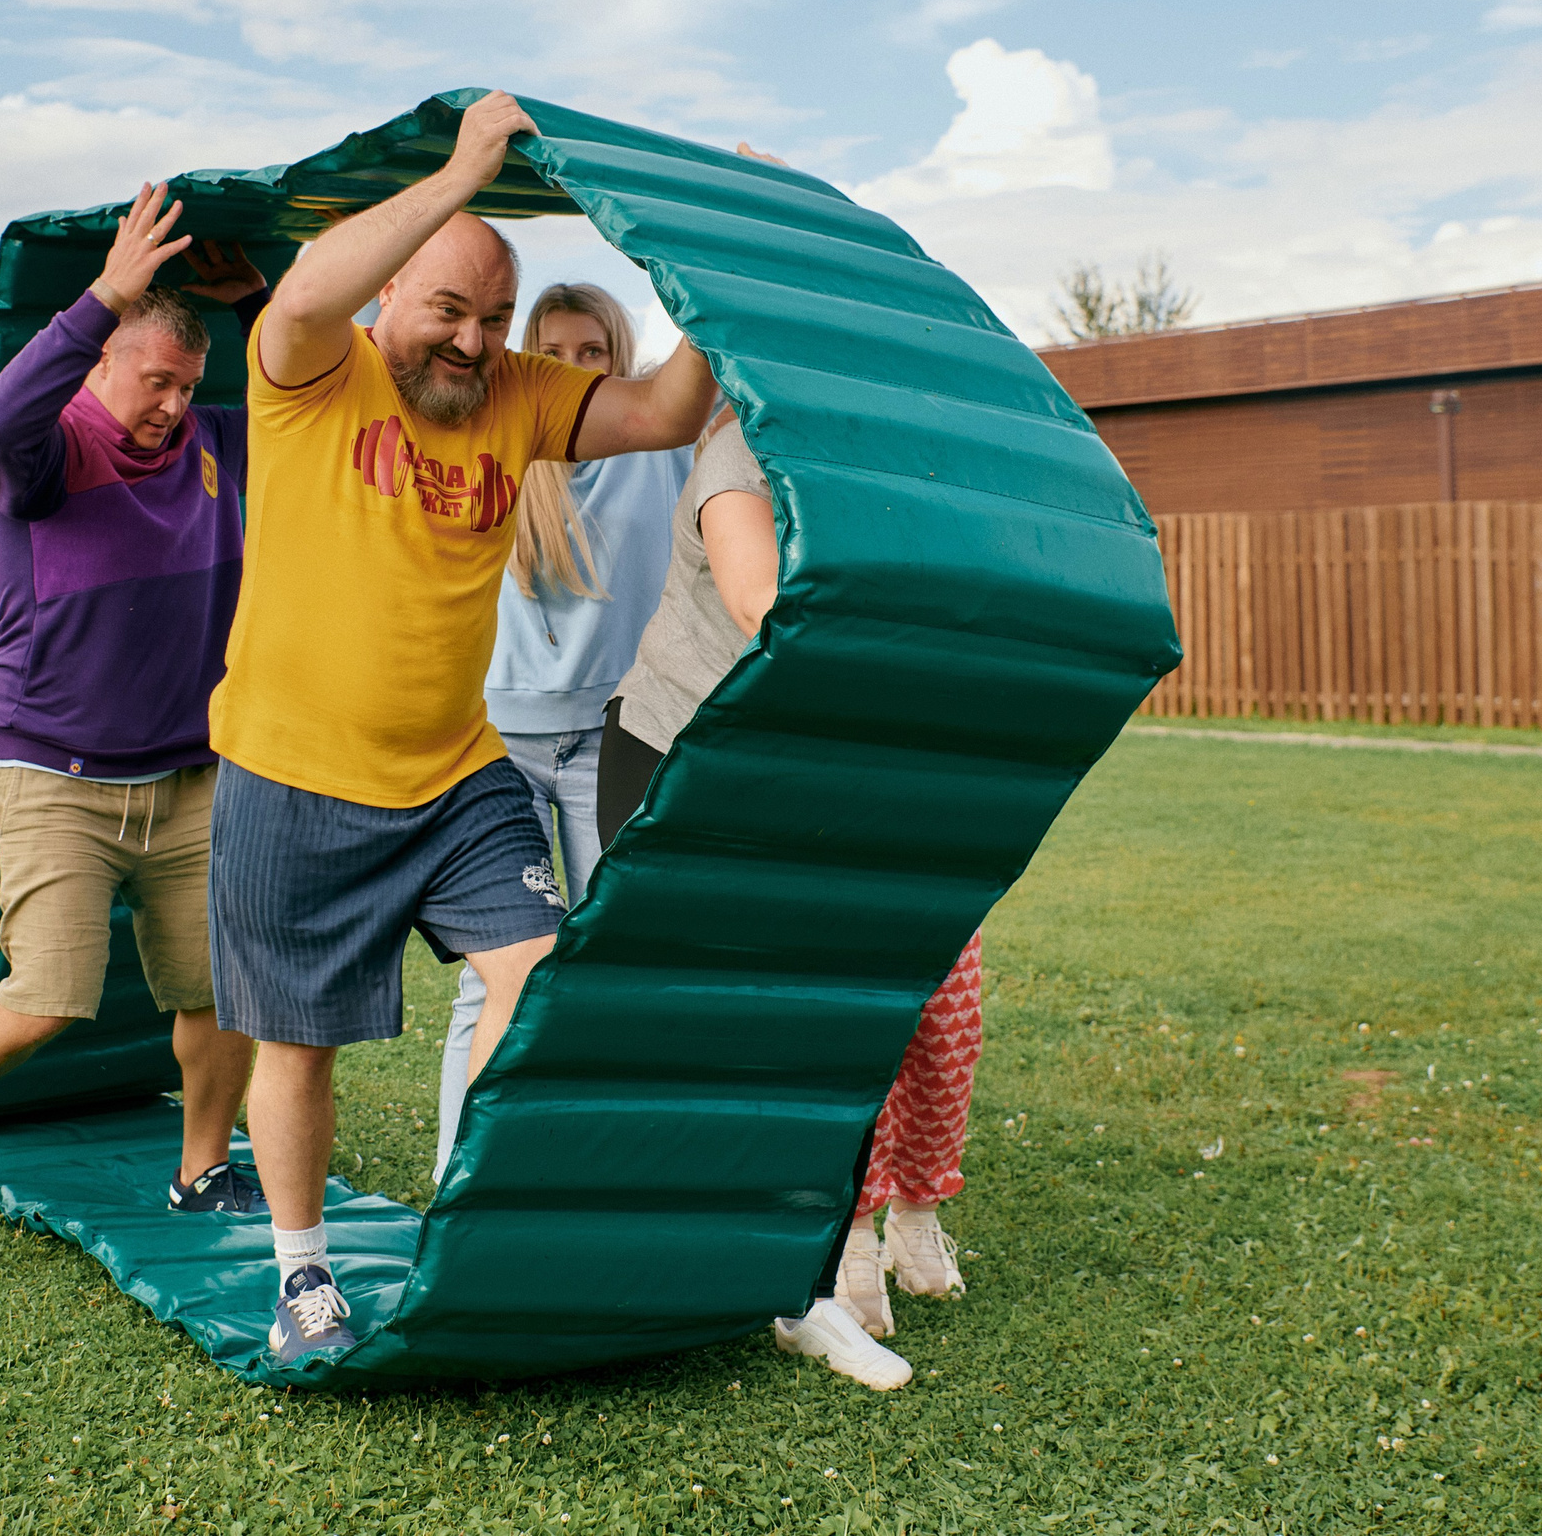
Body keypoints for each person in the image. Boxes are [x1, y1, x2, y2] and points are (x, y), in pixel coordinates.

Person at [206, 92, 723, 1364]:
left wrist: (719, 263)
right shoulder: (311, 371)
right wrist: (461, 173)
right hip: (293, 769)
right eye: (449, 309)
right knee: (298, 1044)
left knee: (540, 974)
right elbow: (307, 290)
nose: (473, 341)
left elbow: (662, 413)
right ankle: (302, 1273)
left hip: (456, 774)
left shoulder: (518, 393)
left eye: (495, 317)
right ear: (390, 291)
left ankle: (482, 1219)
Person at [0, 184, 264, 1256]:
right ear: (99, 363)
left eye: (187, 383)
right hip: (57, 773)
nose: (172, 403)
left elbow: (314, 406)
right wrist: (106, 294)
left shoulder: (216, 446)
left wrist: (257, 304)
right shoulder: (45, 455)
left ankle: (203, 1170)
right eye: (154, 379)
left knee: (221, 991)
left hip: (190, 776)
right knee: (46, 995)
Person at [600, 402, 987, 1392]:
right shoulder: (743, 450)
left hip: (799, 764)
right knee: (679, 1025)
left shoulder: (869, 465)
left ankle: (809, 1290)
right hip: (677, 752)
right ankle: (640, 1266)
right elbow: (758, 601)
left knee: (835, 1022)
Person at [434, 282, 691, 1182]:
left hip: (614, 740)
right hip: (498, 745)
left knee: (613, 965)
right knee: (495, 974)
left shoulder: (660, 443)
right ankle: (459, 1180)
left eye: (594, 353)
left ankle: (602, 1179)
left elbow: (711, 357)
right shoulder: (494, 435)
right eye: (553, 353)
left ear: (620, 360)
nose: (574, 369)